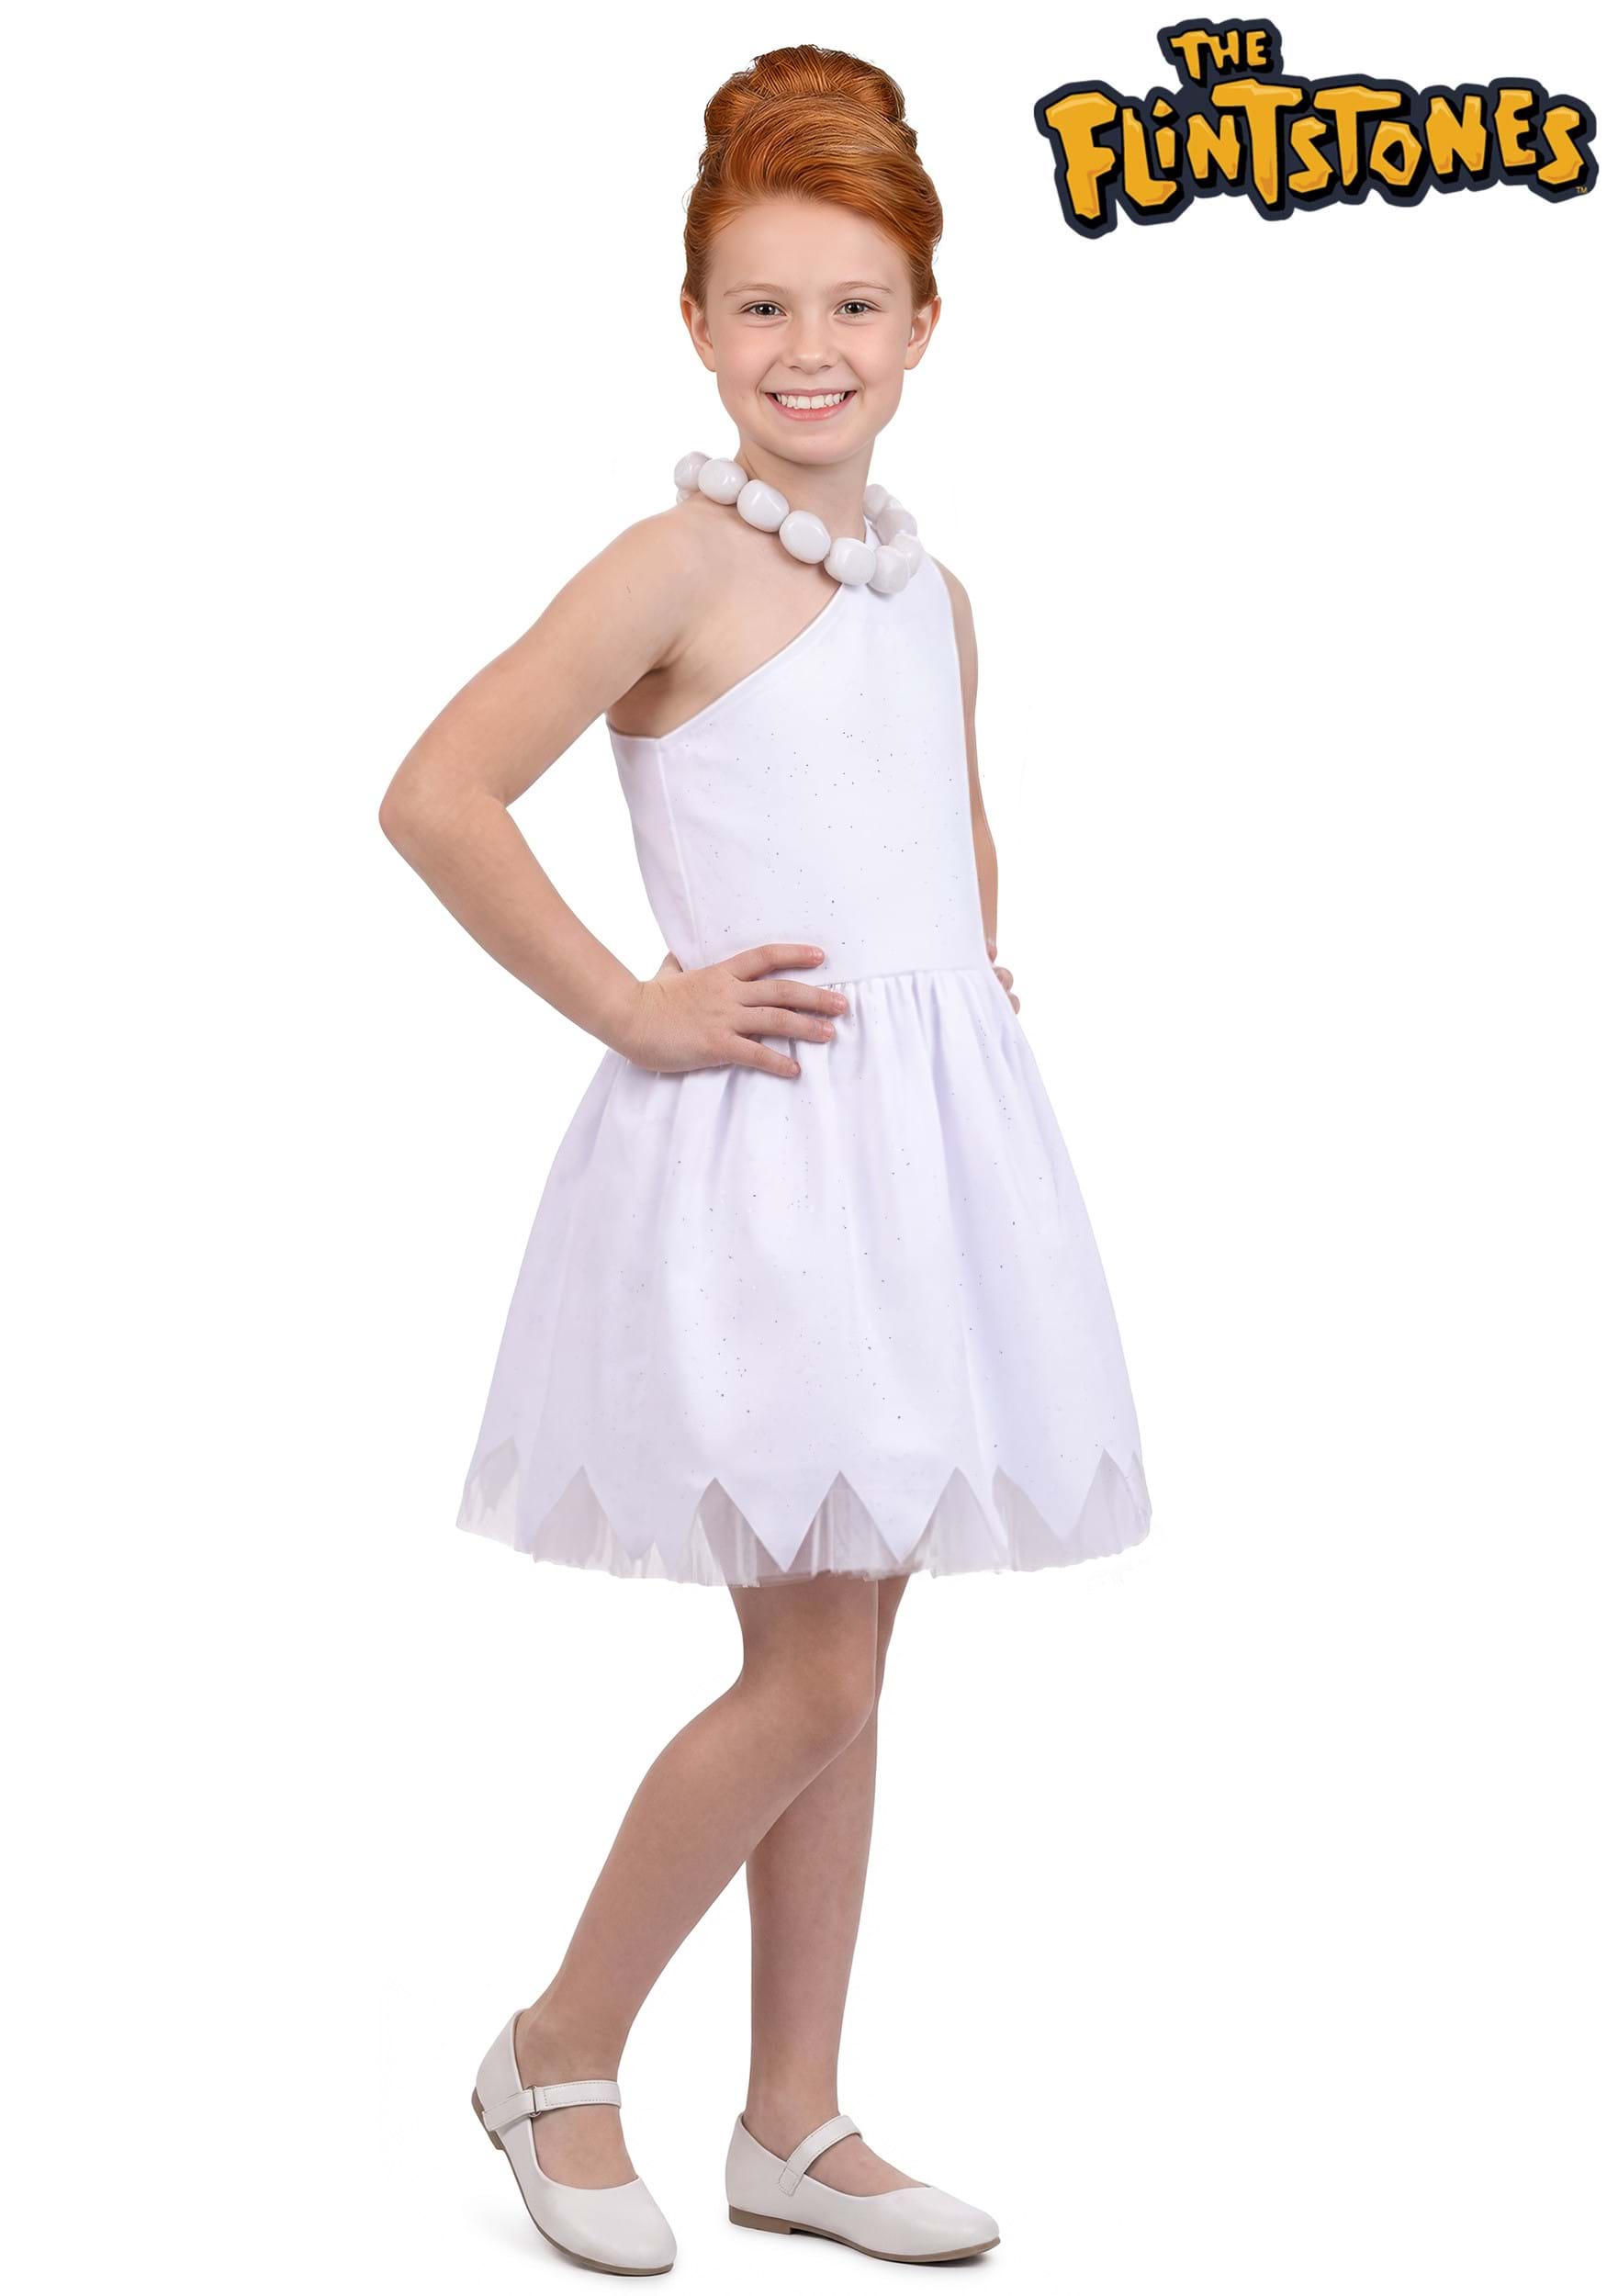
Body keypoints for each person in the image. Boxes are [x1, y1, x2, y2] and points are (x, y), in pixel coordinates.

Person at [379, 41, 1152, 2278]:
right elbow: (436, 792)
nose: (807, 347)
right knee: (806, 1672)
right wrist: (635, 1002)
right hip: (767, 1178)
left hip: (916, 1171)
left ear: (923, 323)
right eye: (760, 305)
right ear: (694, 323)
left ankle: (792, 2112)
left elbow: (948, 825)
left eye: (850, 304)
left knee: (856, 1657)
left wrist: (964, 999)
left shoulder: (928, 588)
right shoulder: (671, 564)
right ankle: (556, 2044)